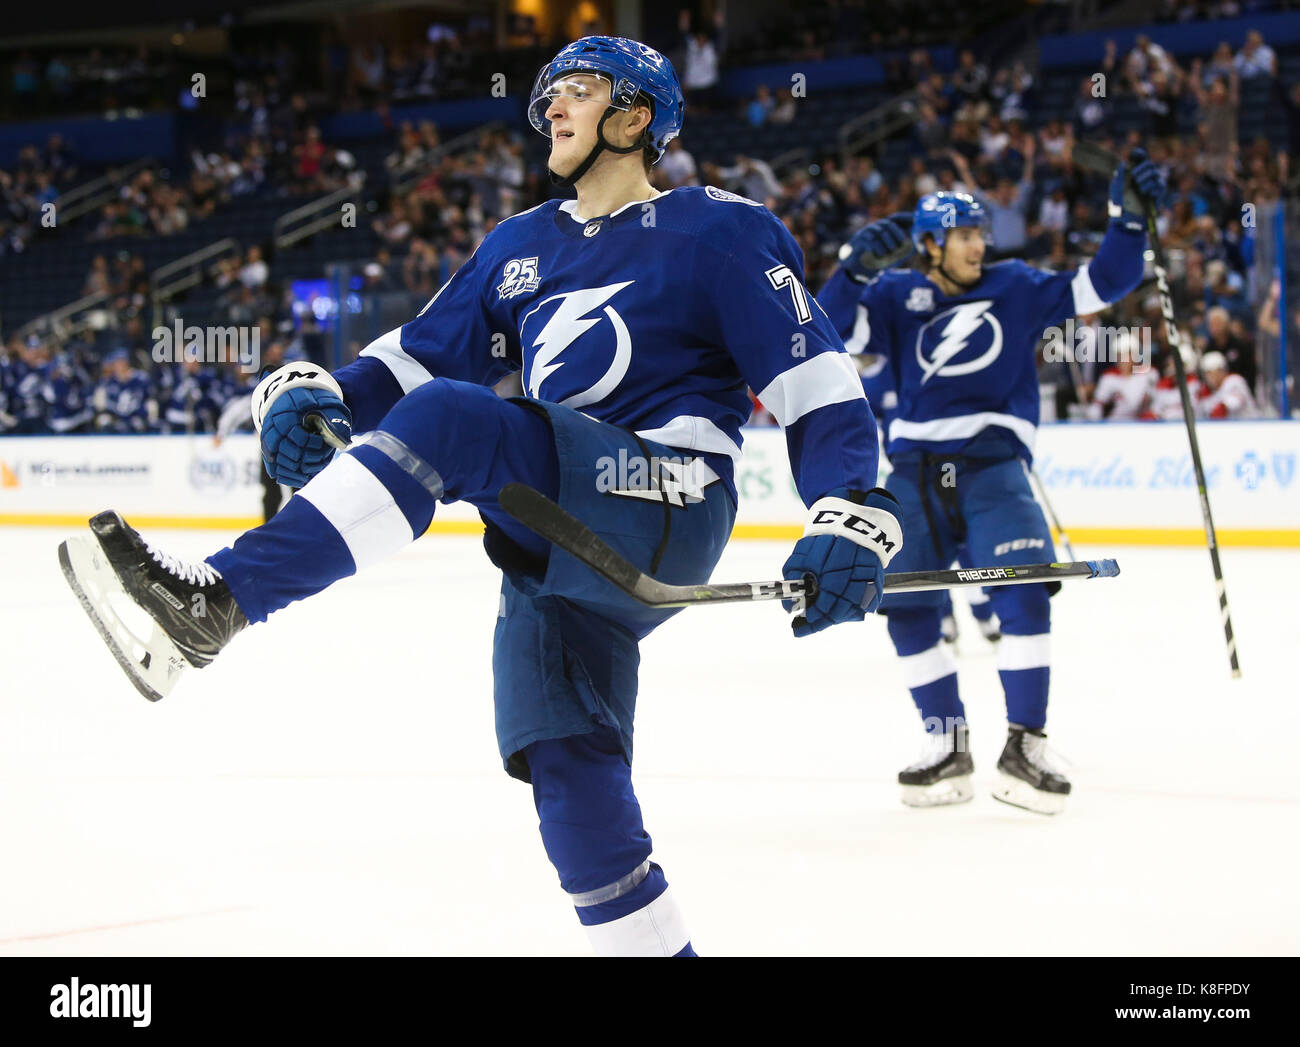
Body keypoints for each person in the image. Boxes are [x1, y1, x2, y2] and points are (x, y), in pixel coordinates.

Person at [59, 36, 901, 957]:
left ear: (636, 115)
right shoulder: (519, 246)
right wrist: (322, 390)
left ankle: (215, 602)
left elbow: (815, 383)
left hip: (667, 495)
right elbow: (415, 358)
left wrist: (850, 506)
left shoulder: (721, 229)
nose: (552, 112)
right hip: (556, 534)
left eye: (576, 93)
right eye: (545, 100)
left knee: (458, 423)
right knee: (566, 765)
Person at [818, 150, 1165, 815]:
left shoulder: (1016, 284)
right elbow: (828, 330)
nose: (981, 243)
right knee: (907, 603)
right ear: (929, 245)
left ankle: (1025, 746)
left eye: (981, 232)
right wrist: (851, 270)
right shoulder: (895, 295)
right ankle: (945, 744)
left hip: (994, 467)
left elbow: (1103, 284)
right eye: (966, 235)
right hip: (913, 472)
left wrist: (1127, 222)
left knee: (1026, 588)